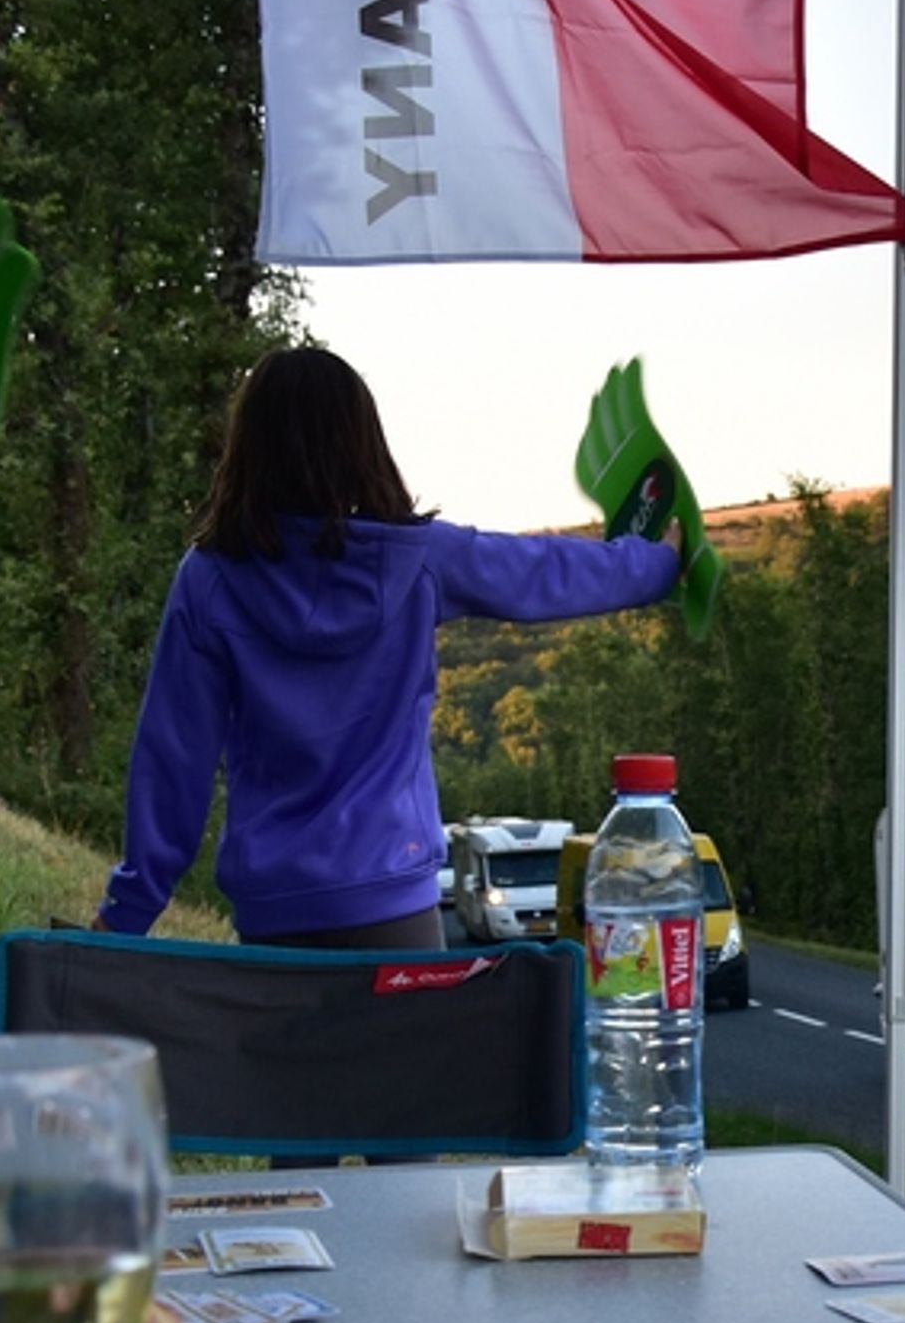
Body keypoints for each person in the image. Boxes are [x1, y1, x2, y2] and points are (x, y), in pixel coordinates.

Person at [98, 347, 678, 948]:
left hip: (275, 913)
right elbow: (541, 572)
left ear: (248, 449)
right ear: (362, 443)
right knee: (407, 1046)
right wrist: (659, 564)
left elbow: (173, 757)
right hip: (394, 899)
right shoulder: (419, 559)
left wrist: (128, 910)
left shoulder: (210, 579)